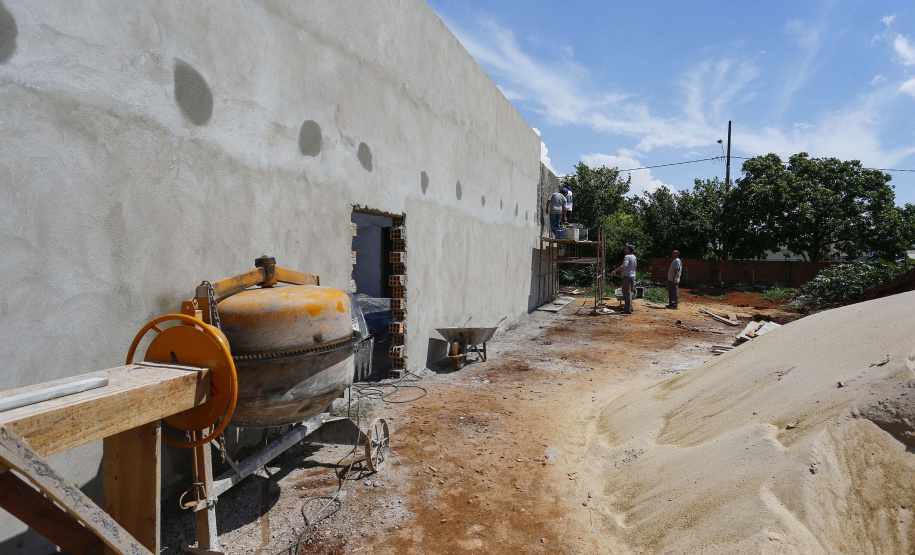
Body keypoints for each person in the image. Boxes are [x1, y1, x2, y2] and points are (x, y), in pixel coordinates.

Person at [610, 244, 637, 314]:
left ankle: (628, 309)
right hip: (633, 276)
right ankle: (630, 307)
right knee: (629, 293)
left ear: (628, 249)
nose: (625, 249)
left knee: (626, 293)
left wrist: (615, 271)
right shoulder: (634, 257)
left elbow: (624, 266)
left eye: (626, 248)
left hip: (627, 277)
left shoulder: (627, 256)